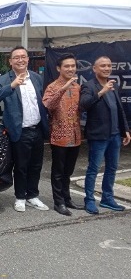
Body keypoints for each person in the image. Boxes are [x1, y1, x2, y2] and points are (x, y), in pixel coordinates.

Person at [0, 46, 49, 212]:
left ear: (28, 59)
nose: (20, 60)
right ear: (10, 61)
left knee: (36, 165)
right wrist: (12, 85)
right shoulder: (4, 79)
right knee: (21, 166)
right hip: (19, 131)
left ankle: (33, 196)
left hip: (37, 129)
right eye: (16, 57)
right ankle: (20, 197)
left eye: (23, 56)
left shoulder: (37, 78)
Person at [80, 56, 130, 214]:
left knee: (112, 168)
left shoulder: (112, 85)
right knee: (93, 168)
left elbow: (118, 109)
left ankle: (107, 198)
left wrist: (125, 130)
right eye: (103, 66)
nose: (107, 68)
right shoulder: (89, 86)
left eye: (109, 65)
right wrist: (102, 92)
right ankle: (89, 200)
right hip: (98, 136)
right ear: (94, 69)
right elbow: (84, 104)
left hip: (114, 135)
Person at [42, 53, 85, 216]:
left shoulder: (77, 87)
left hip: (75, 136)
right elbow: (48, 105)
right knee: (58, 171)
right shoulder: (52, 87)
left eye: (73, 66)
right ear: (59, 68)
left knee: (68, 171)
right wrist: (63, 89)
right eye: (67, 66)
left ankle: (67, 199)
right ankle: (58, 202)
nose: (70, 69)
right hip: (59, 137)